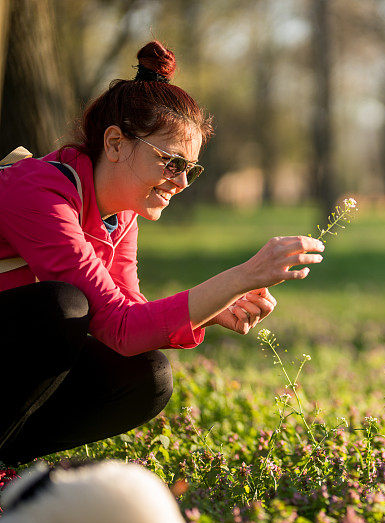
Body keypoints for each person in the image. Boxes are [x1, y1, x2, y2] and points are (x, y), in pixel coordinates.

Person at [0, 41, 324, 466]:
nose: (183, 182)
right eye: (172, 163)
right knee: (64, 308)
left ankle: (6, 463)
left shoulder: (120, 215)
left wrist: (214, 307)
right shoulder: (39, 190)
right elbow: (118, 326)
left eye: (191, 169)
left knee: (147, 376)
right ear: (114, 143)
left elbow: (127, 322)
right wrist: (242, 276)